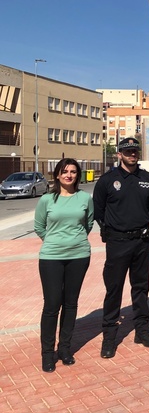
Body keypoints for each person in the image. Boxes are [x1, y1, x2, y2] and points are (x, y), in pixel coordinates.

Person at [93, 137, 149, 359]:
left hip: (141, 242)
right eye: (127, 151)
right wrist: (112, 230)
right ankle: (109, 337)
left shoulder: (148, 180)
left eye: (135, 151)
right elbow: (98, 211)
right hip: (117, 243)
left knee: (141, 288)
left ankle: (142, 330)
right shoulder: (107, 180)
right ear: (119, 154)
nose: (132, 154)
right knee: (114, 290)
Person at [35, 158, 94, 372]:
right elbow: (39, 226)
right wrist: (55, 242)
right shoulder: (47, 200)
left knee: (71, 304)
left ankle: (65, 349)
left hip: (79, 255)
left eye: (73, 171)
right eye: (64, 171)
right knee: (52, 305)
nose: (69, 175)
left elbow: (88, 224)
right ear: (57, 175)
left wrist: (74, 241)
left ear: (77, 175)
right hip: (51, 256)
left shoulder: (85, 198)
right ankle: (47, 353)